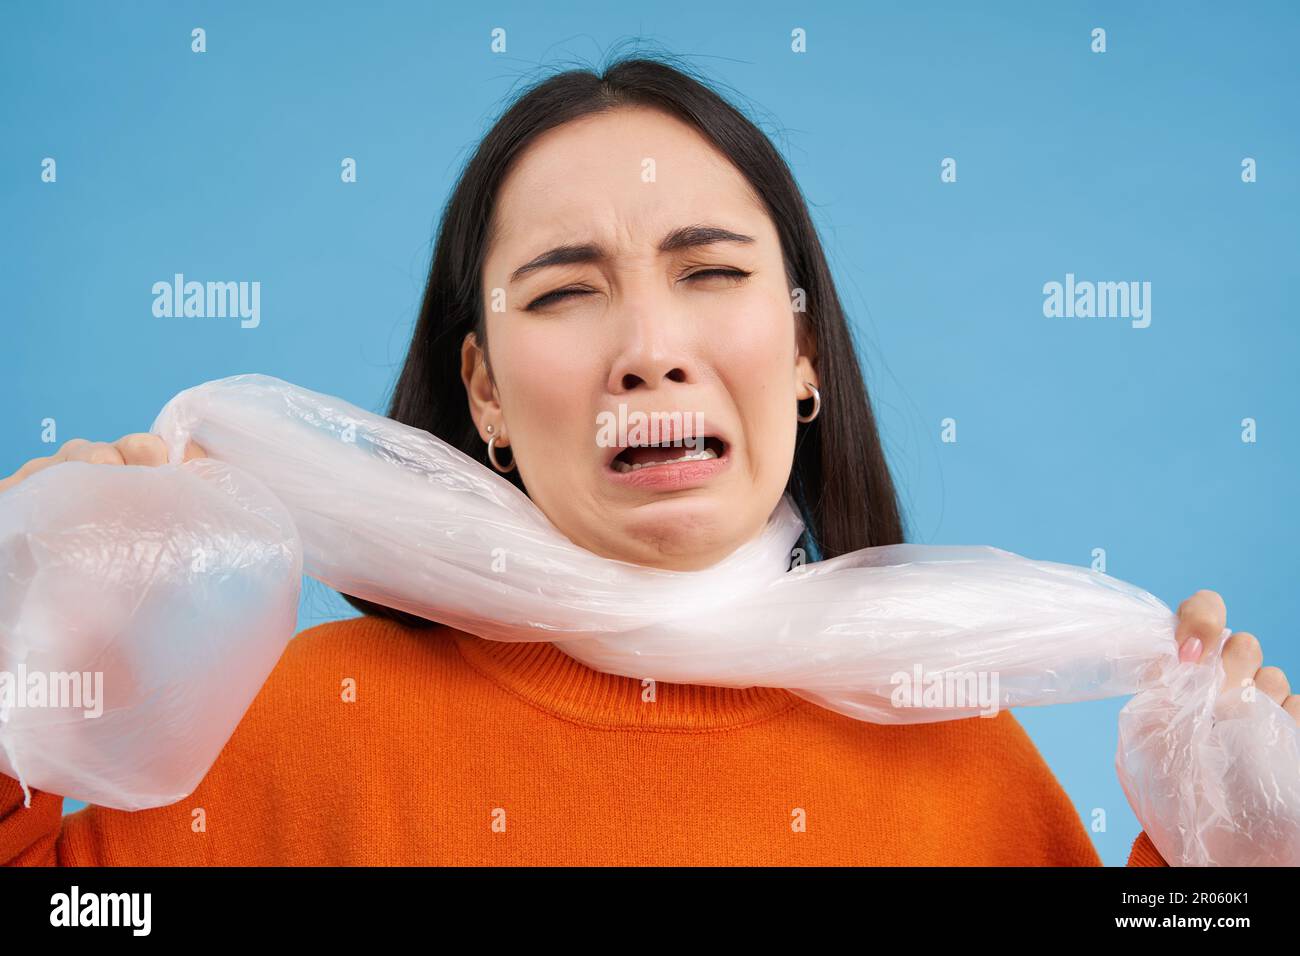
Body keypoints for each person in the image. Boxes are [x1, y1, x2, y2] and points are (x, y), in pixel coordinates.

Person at [2, 55, 1294, 867]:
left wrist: (1232, 861)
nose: (648, 348)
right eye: (566, 293)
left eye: (713, 273)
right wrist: (26, 654)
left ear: (802, 356)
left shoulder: (966, 770)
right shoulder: (298, 724)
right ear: (486, 394)